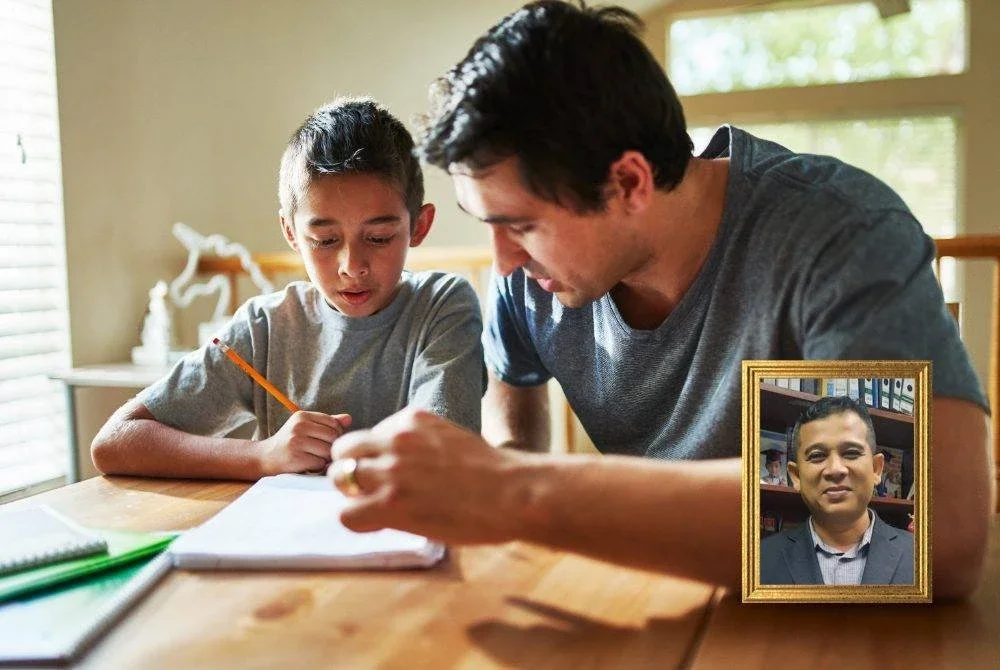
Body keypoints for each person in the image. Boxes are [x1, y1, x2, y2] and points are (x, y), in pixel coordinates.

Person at [326, 1, 993, 598]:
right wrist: (502, 482)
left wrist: (511, 490)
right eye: (488, 225)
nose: (503, 260)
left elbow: (937, 527)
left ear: (628, 182)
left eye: (521, 224)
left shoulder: (836, 233)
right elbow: (514, 411)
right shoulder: (531, 282)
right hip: (657, 604)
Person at [91, 97, 485, 480]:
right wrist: (260, 456)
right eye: (325, 241)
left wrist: (343, 457)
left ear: (419, 226)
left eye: (379, 237)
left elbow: (445, 452)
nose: (352, 267)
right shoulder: (265, 327)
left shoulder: (442, 306)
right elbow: (115, 441)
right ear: (291, 233)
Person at [759, 396, 914, 585]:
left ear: (876, 469)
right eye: (817, 456)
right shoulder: (759, 561)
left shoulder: (924, 556)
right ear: (796, 476)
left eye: (851, 453)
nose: (835, 469)